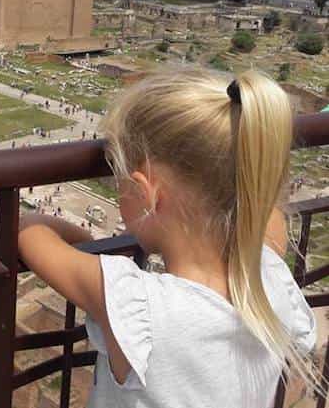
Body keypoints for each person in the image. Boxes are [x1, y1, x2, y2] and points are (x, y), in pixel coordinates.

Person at [18, 69, 319, 407]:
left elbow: (30, 232)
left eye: (119, 181)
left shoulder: (137, 305)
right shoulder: (268, 277)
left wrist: (84, 238)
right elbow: (265, 210)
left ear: (146, 193)